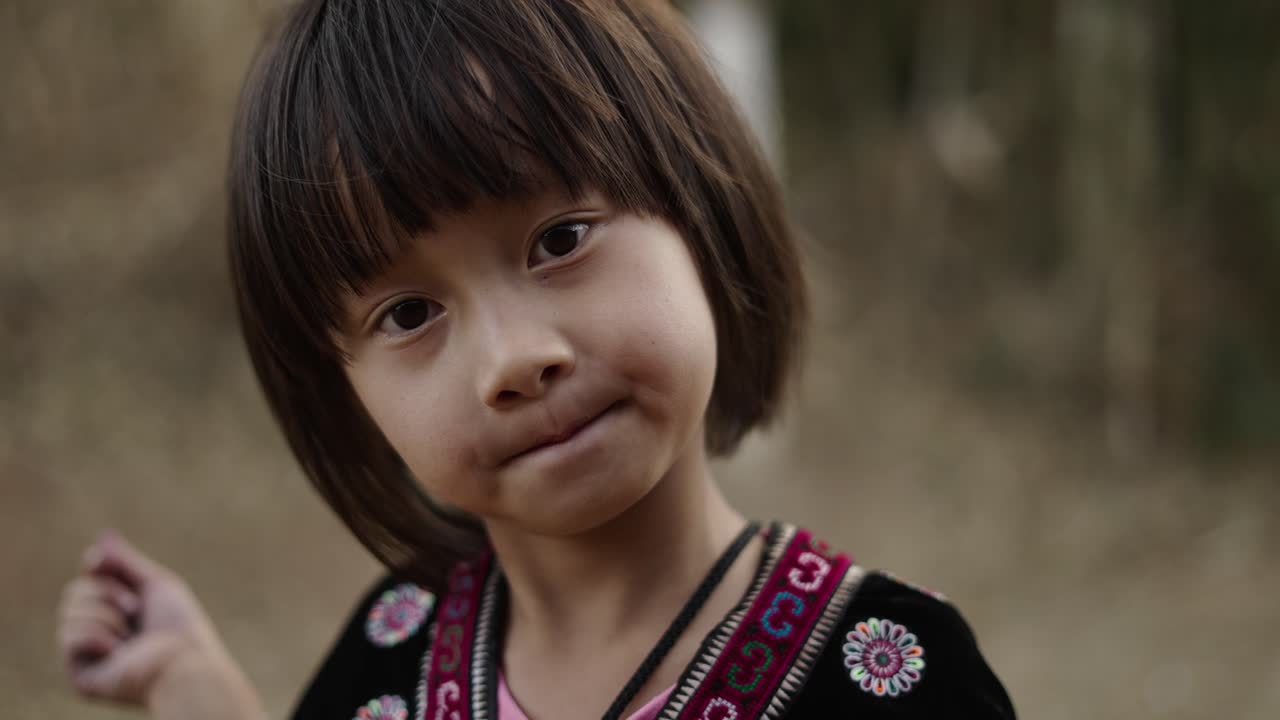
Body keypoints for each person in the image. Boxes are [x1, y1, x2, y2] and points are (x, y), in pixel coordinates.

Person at [56, 1, 1016, 718]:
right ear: (346, 391)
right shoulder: (395, 648)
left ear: (701, 216)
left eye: (561, 240)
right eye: (409, 314)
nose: (513, 359)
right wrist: (198, 690)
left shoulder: (898, 674)